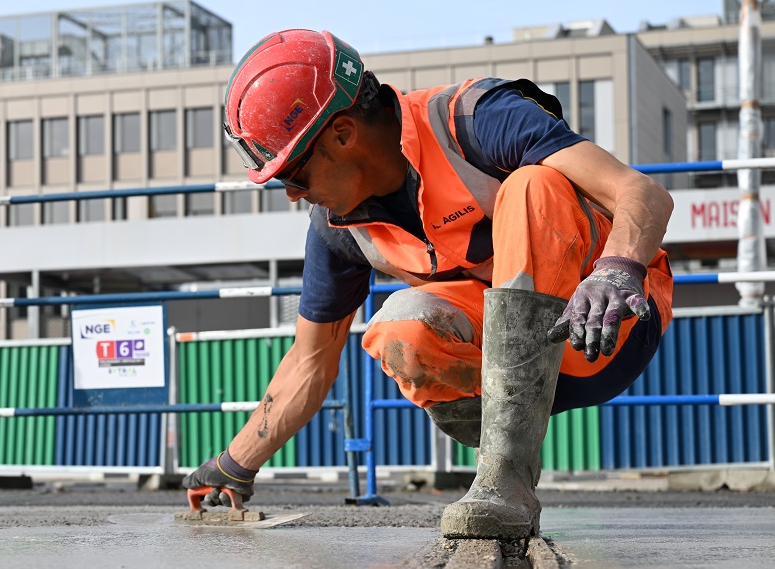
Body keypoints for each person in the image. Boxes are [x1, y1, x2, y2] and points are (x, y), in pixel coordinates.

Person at [184, 29, 673, 540]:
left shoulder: (475, 121)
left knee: (535, 184)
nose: (293, 196)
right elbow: (310, 361)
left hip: (609, 325)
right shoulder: (338, 228)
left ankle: (505, 478)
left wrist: (617, 268)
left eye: (294, 176)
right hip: (515, 377)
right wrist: (233, 465)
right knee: (400, 327)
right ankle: (506, 472)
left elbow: (642, 193)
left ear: (343, 134)